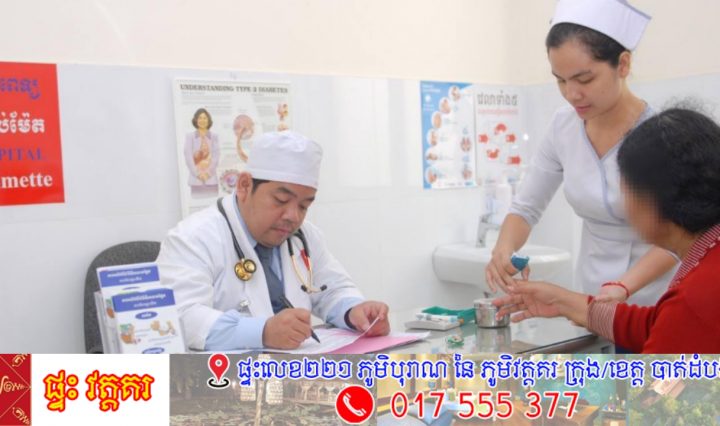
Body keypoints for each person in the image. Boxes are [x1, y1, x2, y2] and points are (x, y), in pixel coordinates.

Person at [486, 0, 677, 306]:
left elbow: (680, 235)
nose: (571, 94)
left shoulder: (662, 135)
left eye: (584, 79)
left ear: (623, 65)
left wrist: (621, 287)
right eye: (560, 80)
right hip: (591, 295)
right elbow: (526, 208)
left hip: (656, 299)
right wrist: (503, 249)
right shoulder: (563, 127)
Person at [493, 108, 720, 353]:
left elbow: (657, 374)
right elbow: (660, 326)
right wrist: (562, 302)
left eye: (625, 190)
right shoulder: (708, 255)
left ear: (654, 199)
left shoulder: (695, 298)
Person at [159, 131, 390, 351]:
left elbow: (332, 289)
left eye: (304, 206)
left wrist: (354, 311)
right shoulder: (193, 238)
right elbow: (180, 318)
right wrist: (262, 332)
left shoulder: (304, 236)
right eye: (280, 200)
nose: (293, 216)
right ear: (244, 186)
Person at [184, 108, 220, 196]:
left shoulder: (214, 136)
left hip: (211, 180)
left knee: (213, 200)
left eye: (205, 118)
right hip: (196, 180)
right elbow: (188, 157)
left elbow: (216, 156)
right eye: (200, 118)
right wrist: (197, 174)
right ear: (196, 120)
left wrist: (208, 173)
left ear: (208, 120)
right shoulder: (190, 136)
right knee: (197, 201)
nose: (202, 120)